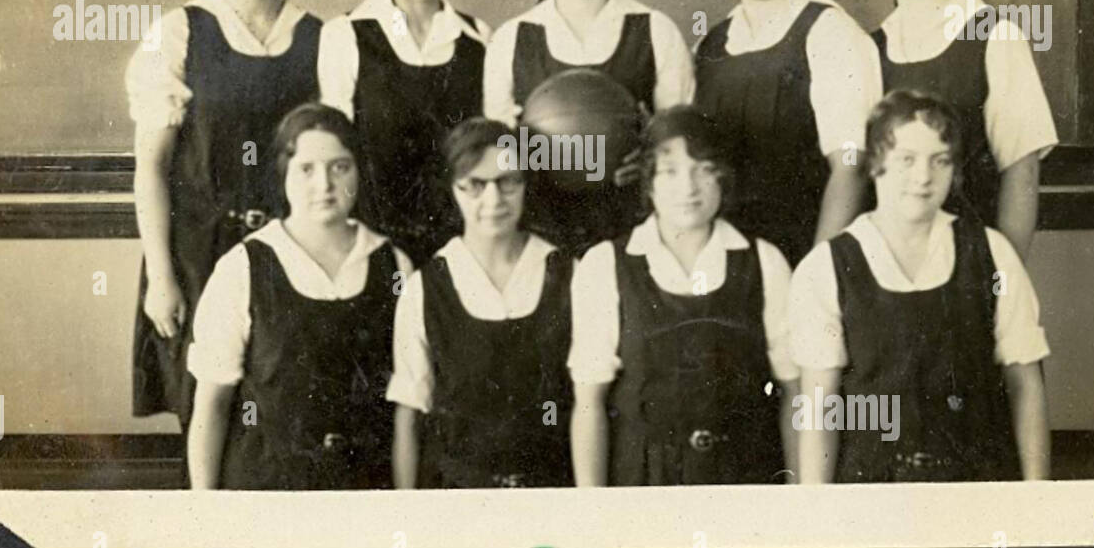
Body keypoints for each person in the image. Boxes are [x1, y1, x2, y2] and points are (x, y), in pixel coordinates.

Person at [126, 0, 322, 432]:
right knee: (206, 421)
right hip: (197, 258)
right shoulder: (181, 32)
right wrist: (162, 277)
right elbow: (152, 169)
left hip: (288, 254)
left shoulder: (320, 38)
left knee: (282, 418)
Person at [791, 89, 1050, 484]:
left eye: (939, 161)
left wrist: (1038, 496)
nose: (923, 178)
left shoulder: (991, 254)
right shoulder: (826, 268)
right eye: (906, 160)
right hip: (870, 497)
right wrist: (818, 514)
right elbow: (820, 404)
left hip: (977, 487)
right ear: (877, 163)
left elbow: (1024, 384)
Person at [186, 103, 411, 489]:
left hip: (365, 491)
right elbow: (212, 405)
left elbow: (409, 405)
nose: (323, 185)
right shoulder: (245, 266)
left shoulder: (393, 265)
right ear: (284, 174)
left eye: (339, 167)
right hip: (266, 491)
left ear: (358, 171)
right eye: (307, 169)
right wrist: (207, 513)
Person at [569, 106, 797, 486]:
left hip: (746, 481)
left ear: (723, 177)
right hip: (642, 485)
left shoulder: (764, 262)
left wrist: (799, 501)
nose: (688, 188)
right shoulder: (605, 264)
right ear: (649, 181)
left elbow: (795, 394)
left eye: (703, 170)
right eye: (670, 171)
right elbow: (589, 405)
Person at [483, 0, 695, 254]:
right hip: (537, 239)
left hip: (637, 238)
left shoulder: (655, 30)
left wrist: (651, 157)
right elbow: (495, 158)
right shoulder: (510, 39)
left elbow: (682, 147)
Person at [860, 0, 1058, 258]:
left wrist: (1004, 279)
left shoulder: (993, 35)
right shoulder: (869, 47)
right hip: (884, 264)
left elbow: (1022, 172)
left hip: (969, 260)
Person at [695, 0, 881, 266]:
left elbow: (851, 168)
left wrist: (816, 281)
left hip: (804, 252)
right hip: (726, 264)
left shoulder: (829, 31)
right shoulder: (709, 46)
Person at [388, 118, 574, 488]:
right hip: (459, 505)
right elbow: (409, 416)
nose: (493, 200)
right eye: (474, 185)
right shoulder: (426, 287)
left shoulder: (569, 274)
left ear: (526, 184)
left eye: (508, 182)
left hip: (552, 497)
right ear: (454, 189)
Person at [319, 0, 489, 266]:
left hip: (461, 250)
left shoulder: (478, 38)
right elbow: (335, 156)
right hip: (372, 250)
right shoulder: (345, 35)